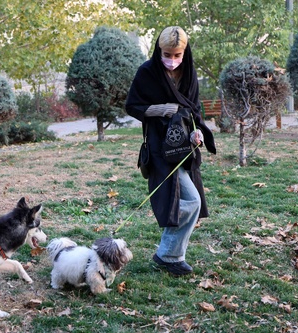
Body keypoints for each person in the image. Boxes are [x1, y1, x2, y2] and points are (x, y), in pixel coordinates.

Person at [125, 26, 216, 276]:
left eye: (178, 55)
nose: (173, 61)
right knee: (190, 199)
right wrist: (160, 109)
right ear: (158, 50)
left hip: (185, 145)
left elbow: (195, 109)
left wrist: (197, 132)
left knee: (190, 201)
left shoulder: (188, 73)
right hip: (159, 147)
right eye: (168, 54)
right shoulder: (147, 72)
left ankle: (168, 254)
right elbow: (132, 106)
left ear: (185, 53)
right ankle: (169, 254)